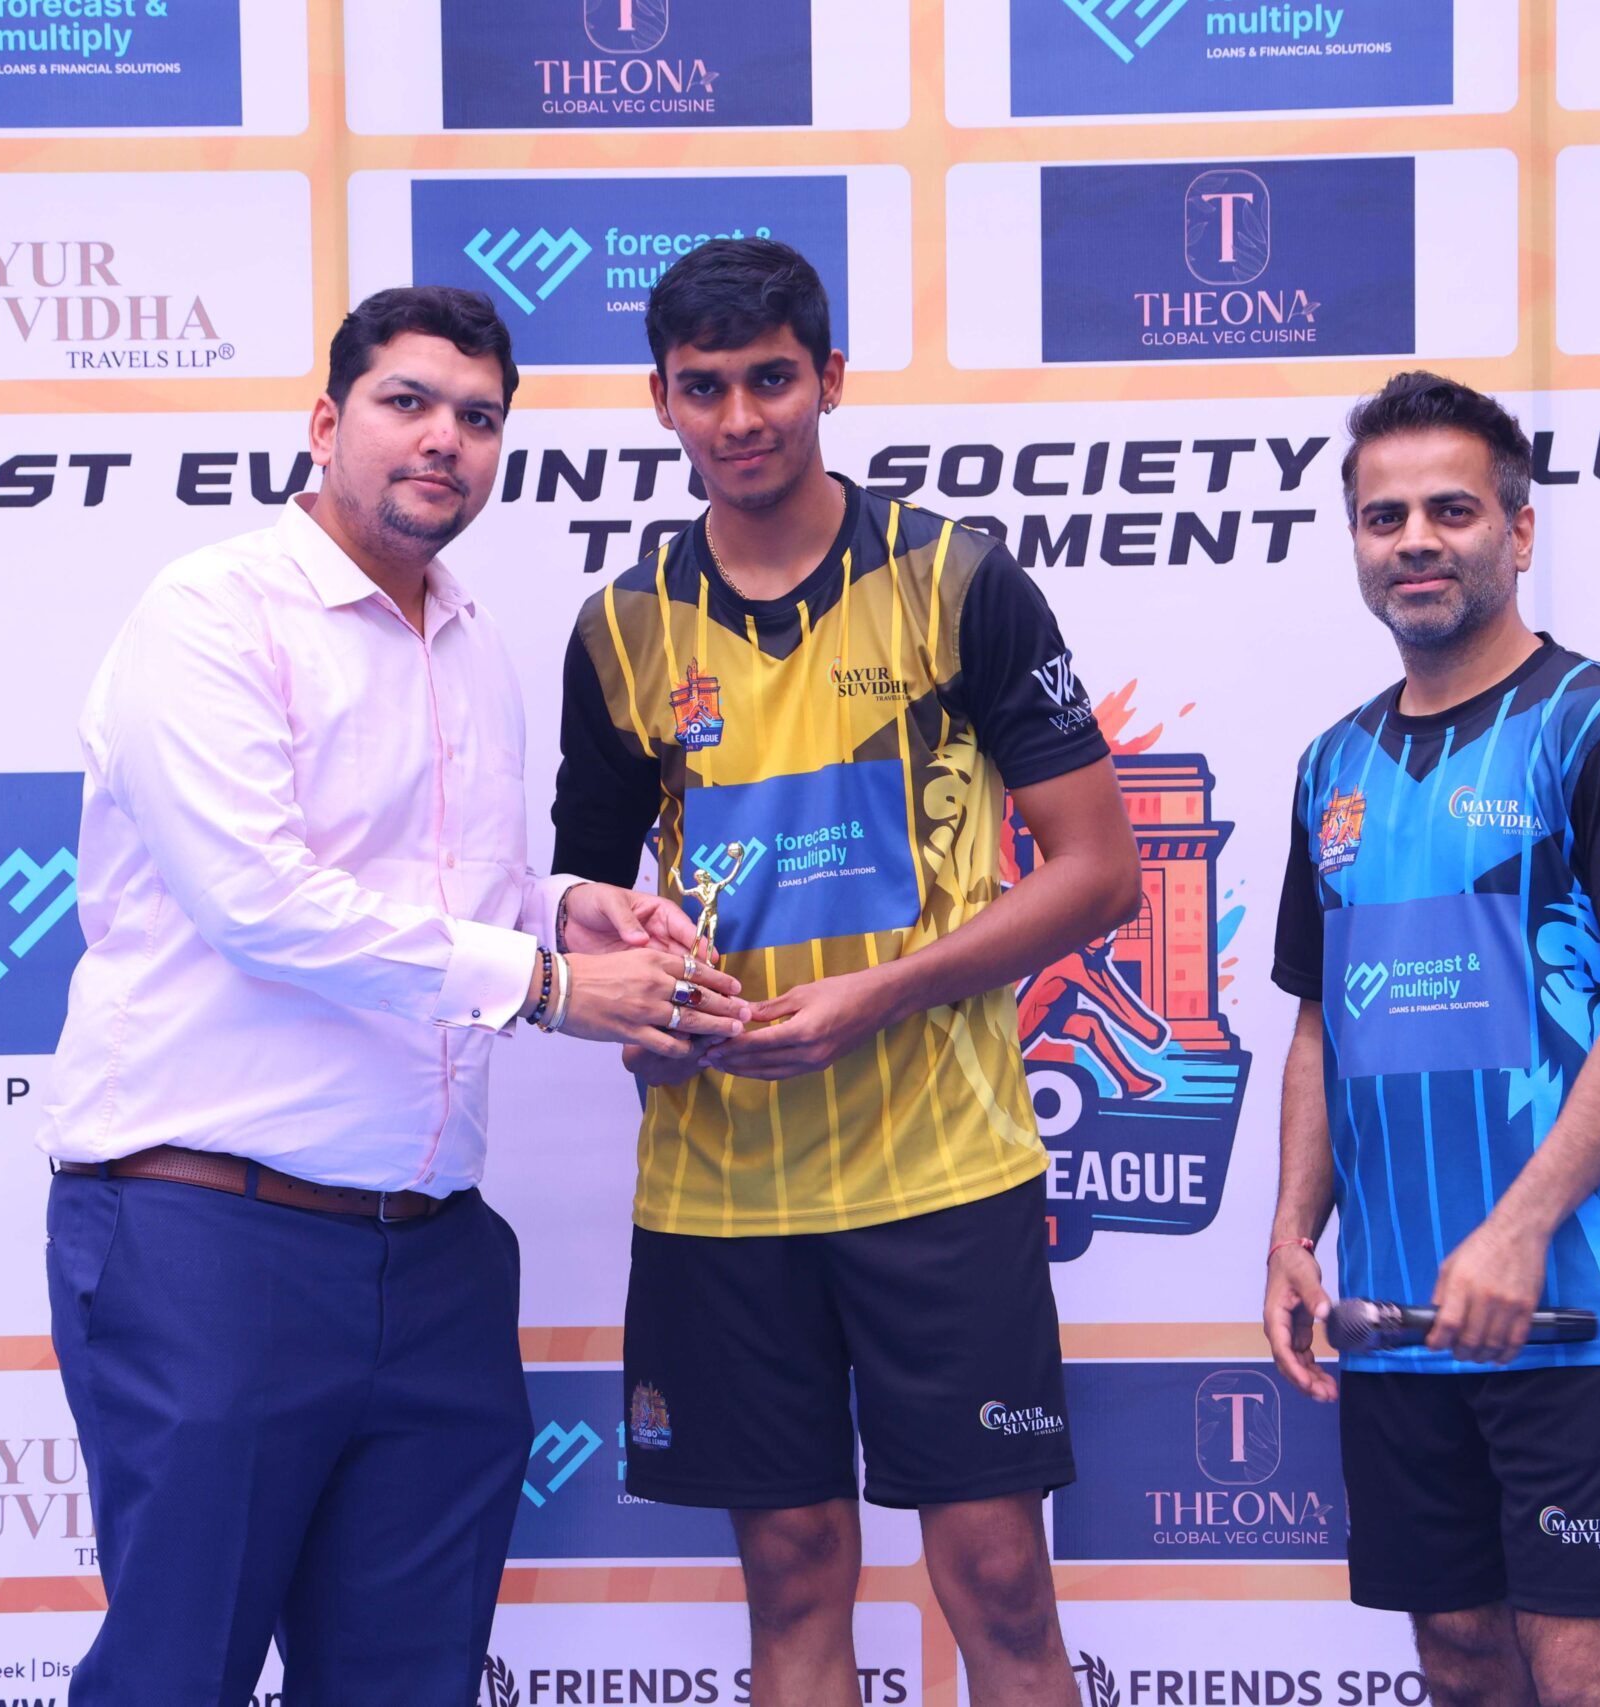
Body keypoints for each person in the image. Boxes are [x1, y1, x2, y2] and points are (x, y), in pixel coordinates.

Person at [35, 285, 746, 1706]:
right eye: (406, 403)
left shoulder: (472, 641)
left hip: (433, 1256)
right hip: (210, 1231)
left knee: (408, 1684)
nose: (444, 440)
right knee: (174, 1678)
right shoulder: (212, 614)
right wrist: (551, 984)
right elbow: (262, 902)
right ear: (325, 422)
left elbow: (444, 888)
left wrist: (564, 904)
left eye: (478, 418)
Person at [550, 238, 1141, 1707]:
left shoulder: (958, 579)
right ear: (660, 400)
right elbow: (575, 906)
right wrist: (638, 1013)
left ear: (829, 378)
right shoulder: (620, 628)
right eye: (704, 387)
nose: (740, 417)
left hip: (940, 1169)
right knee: (795, 1577)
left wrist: (880, 993)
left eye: (770, 379)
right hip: (722, 1188)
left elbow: (1097, 871)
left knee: (1001, 1585)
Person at [1260, 372, 1600, 1707]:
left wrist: (1518, 1230)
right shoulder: (1330, 766)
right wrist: (1291, 1233)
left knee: (1584, 1662)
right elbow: (1319, 1018)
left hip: (1585, 1309)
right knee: (1459, 1651)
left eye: (1451, 511)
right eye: (1384, 516)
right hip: (1398, 1309)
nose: (1415, 540)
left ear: (1517, 533)